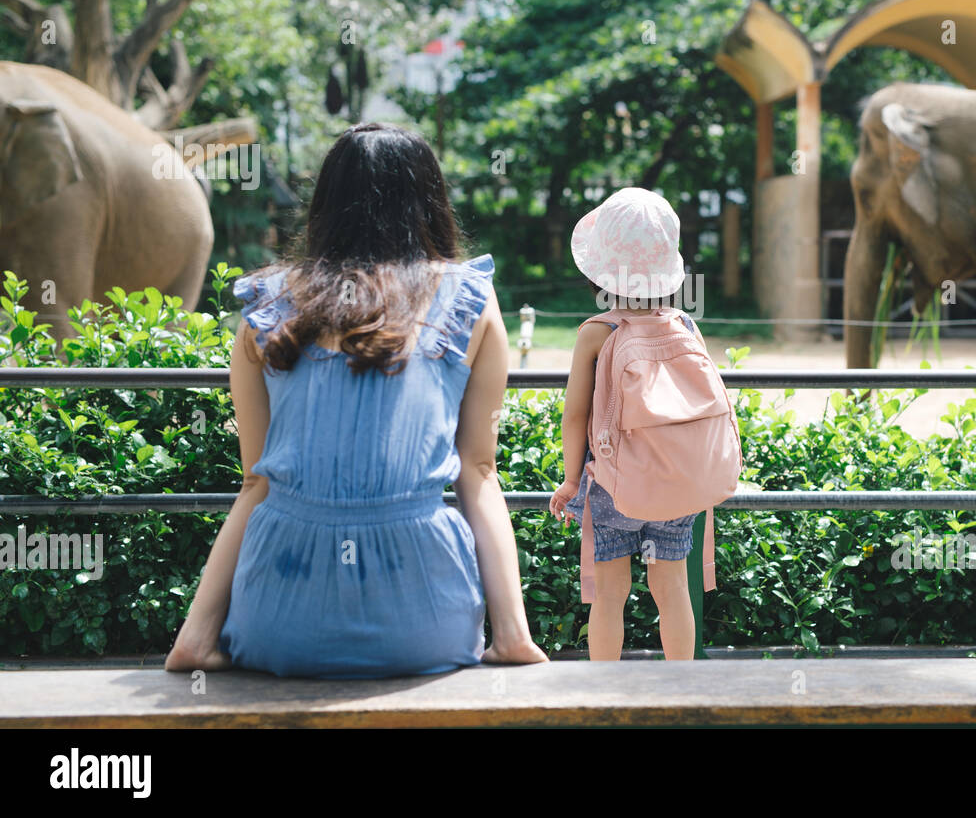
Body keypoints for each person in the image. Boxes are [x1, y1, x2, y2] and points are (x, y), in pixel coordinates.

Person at [165, 123, 546, 677]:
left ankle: (198, 637)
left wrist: (196, 638)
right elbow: (478, 472)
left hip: (280, 616)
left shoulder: (267, 305)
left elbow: (258, 480)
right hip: (423, 619)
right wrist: (511, 634)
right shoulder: (468, 299)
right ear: (429, 200)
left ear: (325, 203)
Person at [548, 187, 707, 661]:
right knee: (672, 588)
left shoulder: (597, 332)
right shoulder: (686, 327)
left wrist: (572, 478)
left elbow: (575, 413)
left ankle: (607, 693)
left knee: (610, 594)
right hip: (676, 483)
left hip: (614, 486)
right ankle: (680, 689)